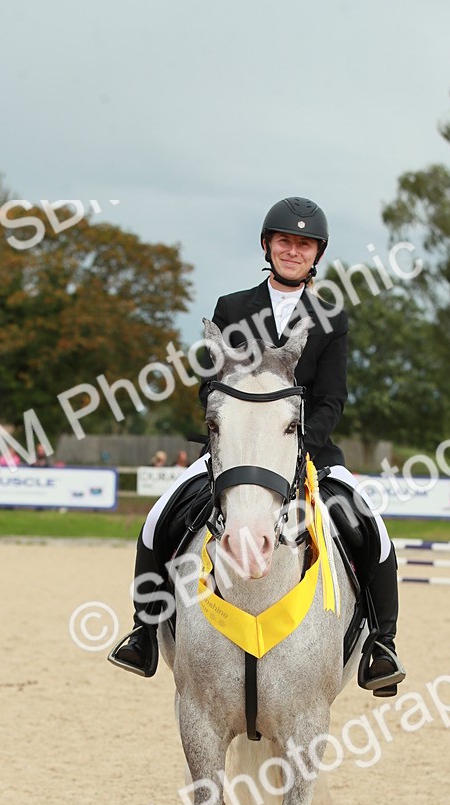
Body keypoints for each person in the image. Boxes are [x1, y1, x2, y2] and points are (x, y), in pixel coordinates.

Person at [109, 196, 405, 695]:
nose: (293, 250)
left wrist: (299, 443)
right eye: (285, 241)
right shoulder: (232, 309)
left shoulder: (331, 317)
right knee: (159, 518)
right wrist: (232, 425)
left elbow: (333, 397)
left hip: (304, 453)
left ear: (317, 254)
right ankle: (143, 631)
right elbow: (210, 386)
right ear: (268, 246)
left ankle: (381, 644)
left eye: (304, 244)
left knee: (373, 531)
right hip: (234, 451)